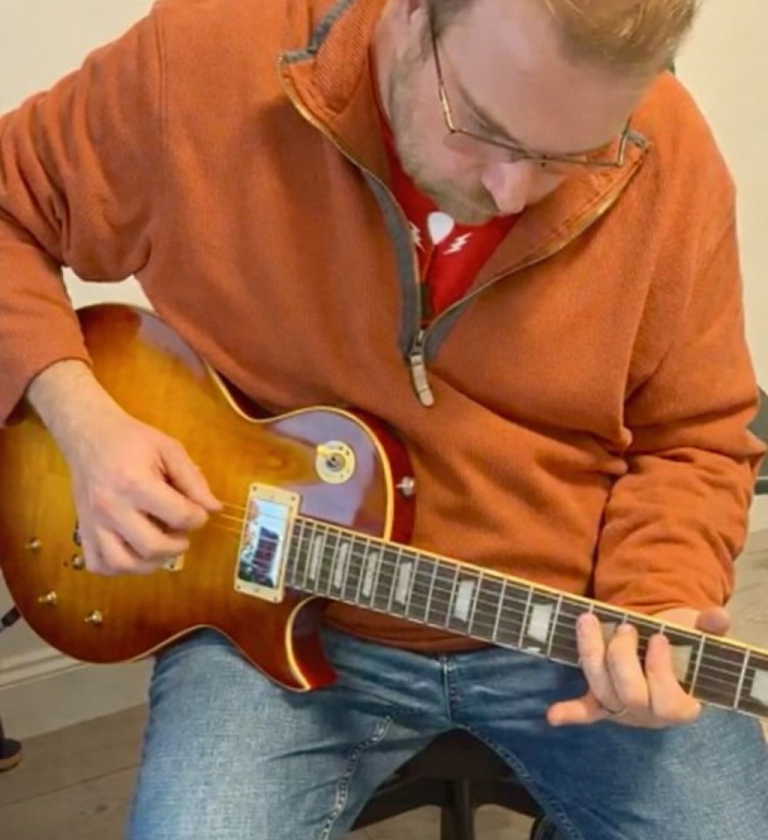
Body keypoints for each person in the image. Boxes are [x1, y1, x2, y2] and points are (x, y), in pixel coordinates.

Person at [0, 0, 766, 837]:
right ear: (408, 14)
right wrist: (77, 414)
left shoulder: (669, 155)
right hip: (268, 613)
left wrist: (656, 601)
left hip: (563, 620)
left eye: (569, 157)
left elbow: (694, 433)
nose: (511, 191)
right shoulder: (200, 60)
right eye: (482, 127)